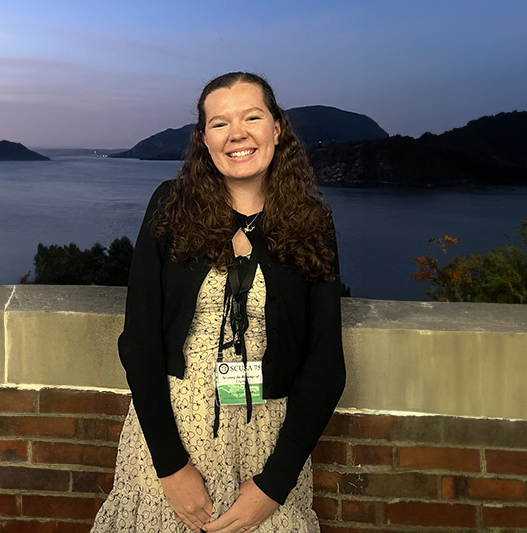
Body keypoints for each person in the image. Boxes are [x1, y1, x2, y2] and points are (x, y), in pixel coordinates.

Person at [92, 72, 346, 533]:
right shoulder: (171, 205)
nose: (237, 135)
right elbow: (140, 340)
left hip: (270, 439)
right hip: (174, 430)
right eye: (219, 123)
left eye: (252, 117)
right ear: (204, 139)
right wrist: (170, 466)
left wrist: (275, 482)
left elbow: (326, 363)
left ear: (277, 129)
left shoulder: (312, 221)